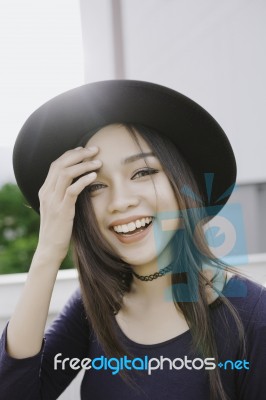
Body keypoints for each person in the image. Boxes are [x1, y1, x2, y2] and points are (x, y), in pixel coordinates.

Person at [0, 80, 266, 400]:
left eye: (142, 172)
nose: (120, 201)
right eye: (95, 186)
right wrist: (47, 253)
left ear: (182, 183)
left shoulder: (252, 316)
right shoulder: (95, 305)